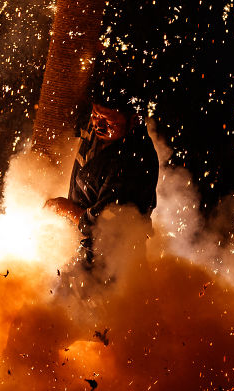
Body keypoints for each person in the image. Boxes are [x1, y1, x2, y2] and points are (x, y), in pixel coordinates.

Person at [44, 72, 159, 268]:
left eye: (109, 121)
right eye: (96, 115)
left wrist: (66, 208)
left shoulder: (133, 162)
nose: (99, 125)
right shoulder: (98, 126)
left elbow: (103, 225)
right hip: (82, 247)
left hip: (111, 262)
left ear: (135, 120)